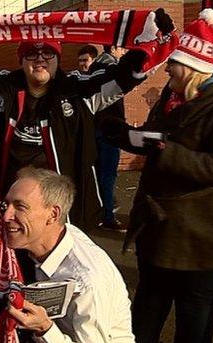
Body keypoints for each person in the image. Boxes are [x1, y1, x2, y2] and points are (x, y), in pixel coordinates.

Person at [0, 12, 174, 233]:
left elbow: (125, 75)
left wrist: (153, 37)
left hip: (64, 211)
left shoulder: (79, 90)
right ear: (21, 60)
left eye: (48, 53)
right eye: (31, 53)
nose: (40, 59)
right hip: (10, 207)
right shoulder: (0, 88)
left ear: (57, 57)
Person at [103, 10, 213, 343]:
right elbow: (156, 140)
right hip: (159, 231)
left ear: (192, 66)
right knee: (146, 310)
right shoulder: (172, 96)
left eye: (173, 63)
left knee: (193, 315)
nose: (166, 68)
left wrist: (165, 150)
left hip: (203, 238)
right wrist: (124, 136)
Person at [1, 167, 138, 343]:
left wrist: (44, 329)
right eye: (6, 205)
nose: (6, 216)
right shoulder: (57, 234)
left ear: (53, 214)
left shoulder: (88, 282)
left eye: (20, 207)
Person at [91, 45, 128, 232]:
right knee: (108, 175)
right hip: (110, 129)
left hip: (97, 127)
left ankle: (99, 212)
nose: (124, 52)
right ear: (113, 48)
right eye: (122, 48)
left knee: (99, 174)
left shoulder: (95, 67)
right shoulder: (113, 69)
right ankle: (107, 215)